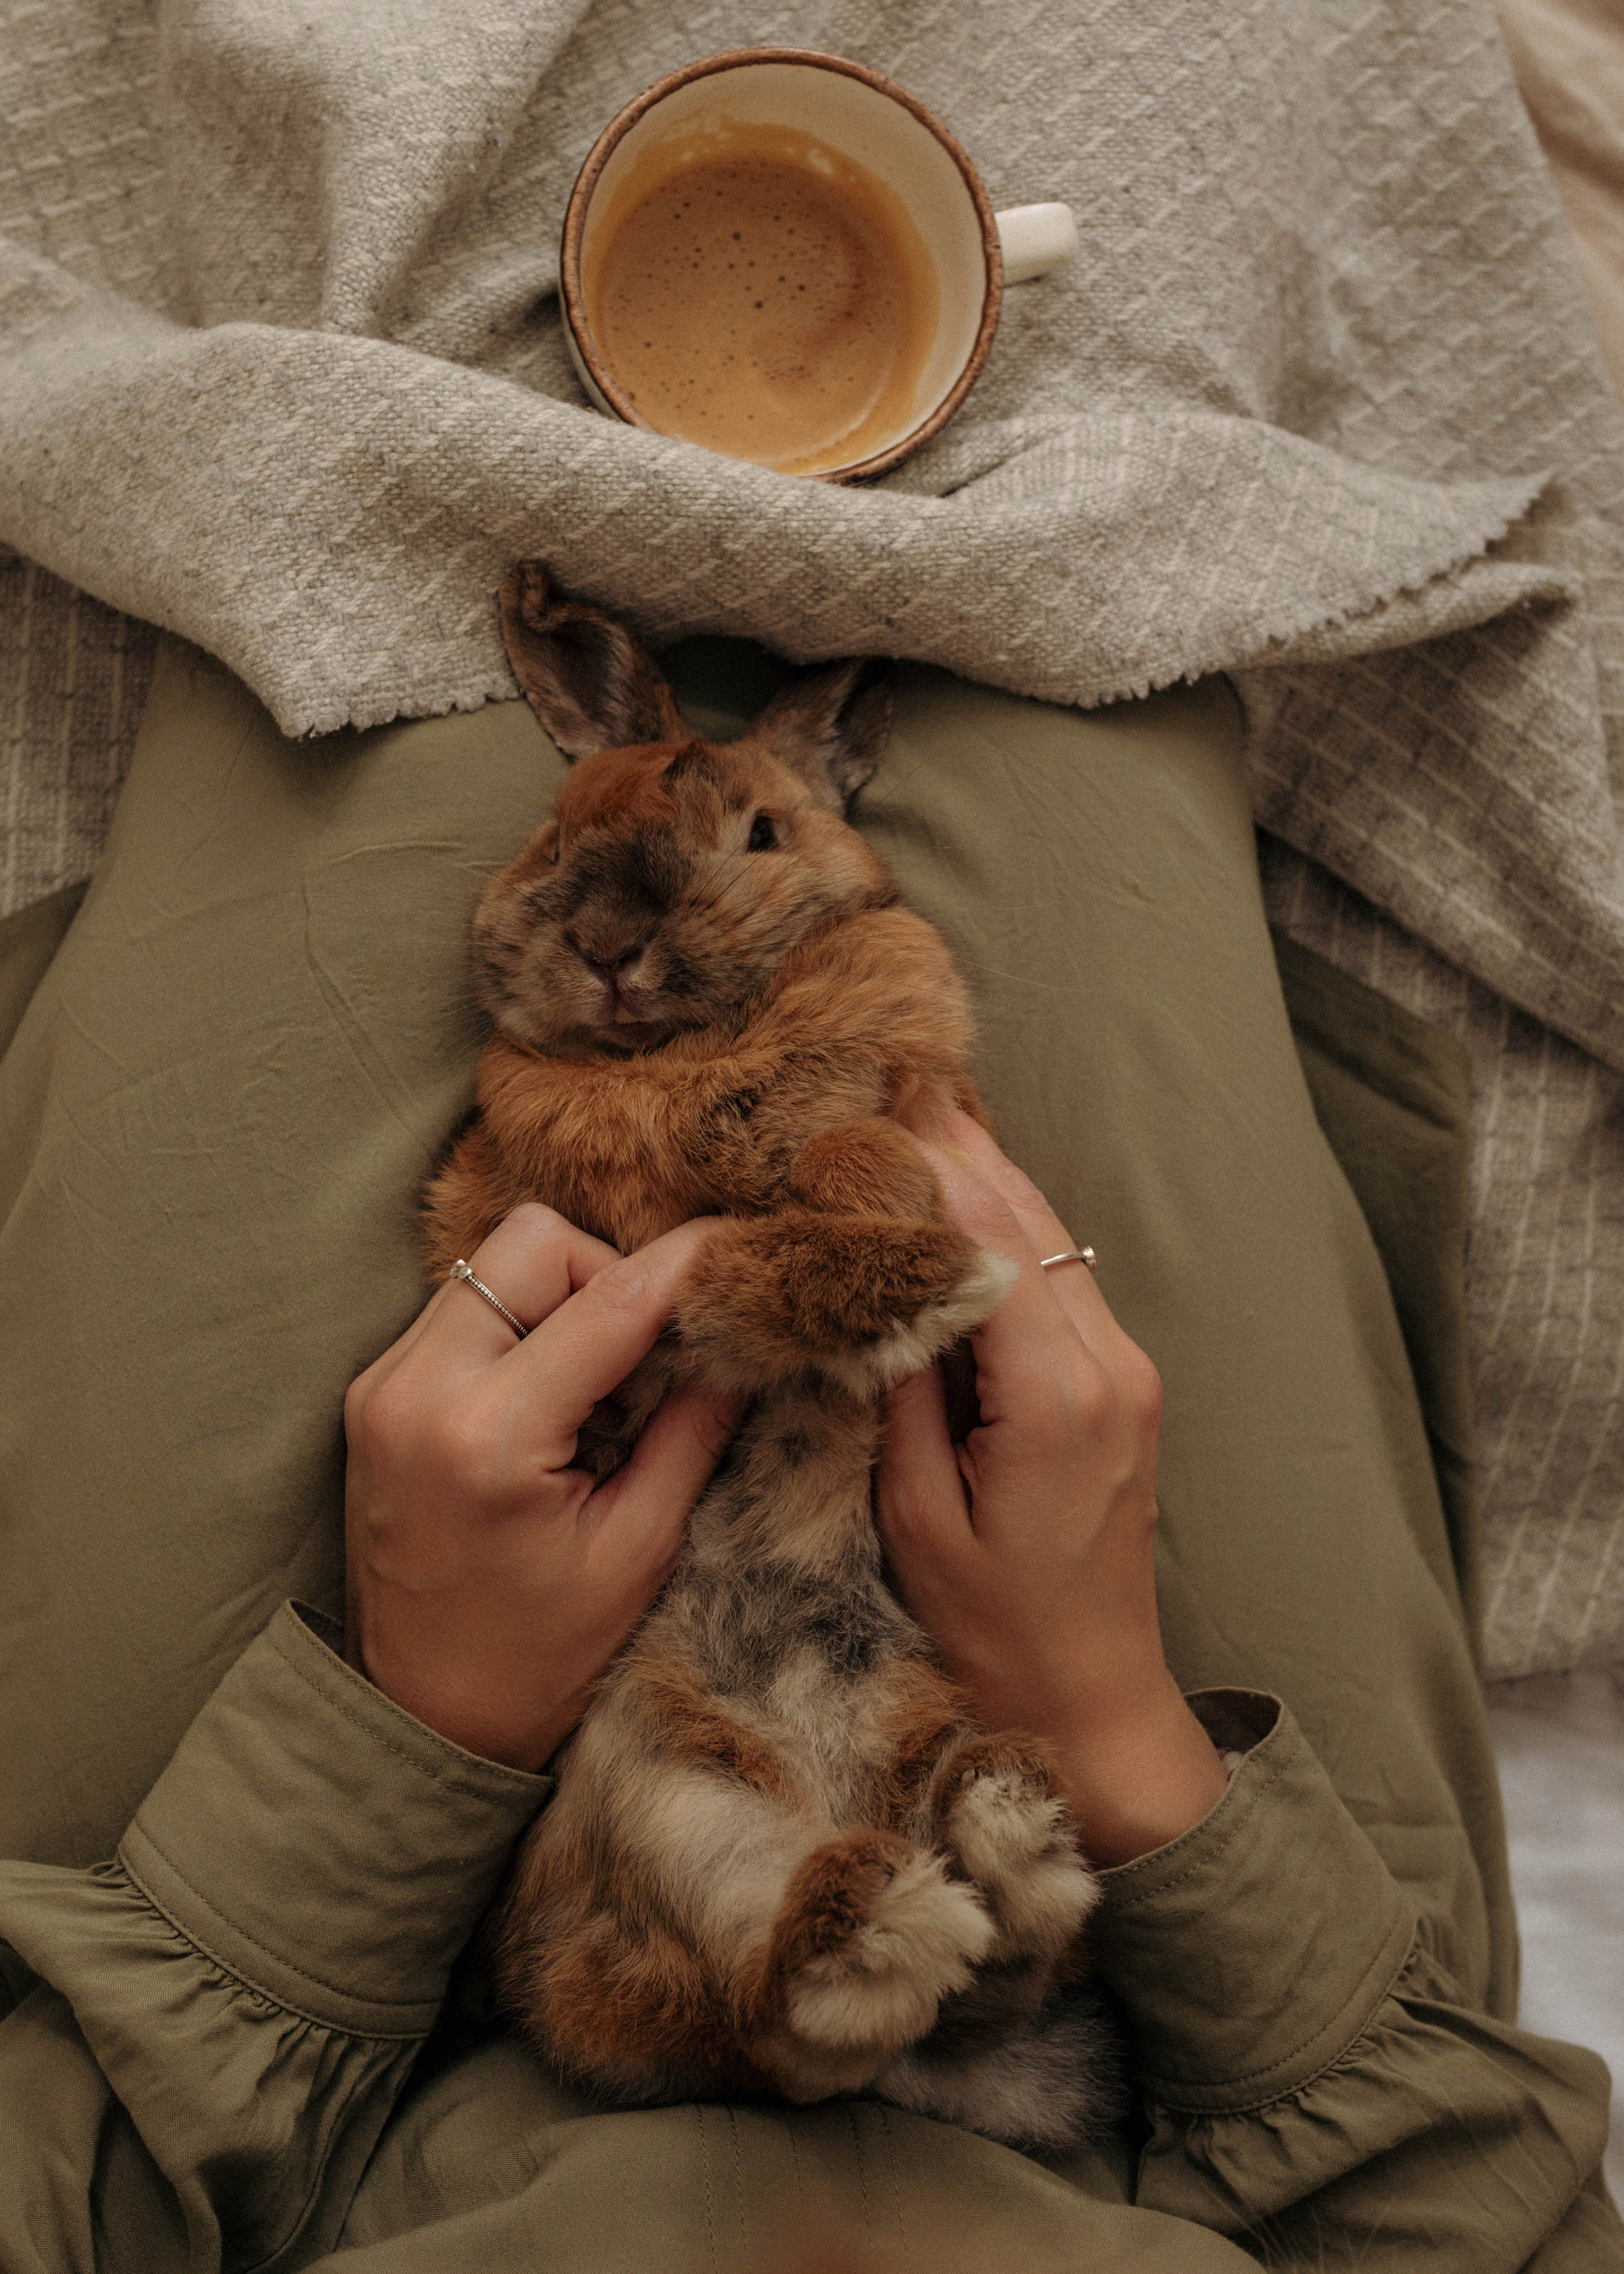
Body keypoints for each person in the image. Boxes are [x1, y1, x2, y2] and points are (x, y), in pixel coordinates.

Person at [0, 631, 1618, 2271]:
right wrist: (1122, 1733)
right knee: (1091, 734)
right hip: (1180, 2024)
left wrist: (405, 1739)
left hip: (280, 2053)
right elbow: (1495, 2210)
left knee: (316, 735)